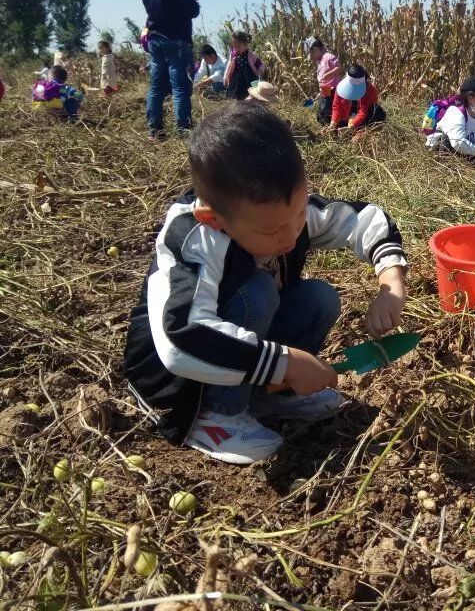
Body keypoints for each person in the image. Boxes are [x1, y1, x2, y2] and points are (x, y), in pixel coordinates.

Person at [123, 102, 408, 465]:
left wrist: (391, 283)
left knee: (319, 298)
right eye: (271, 231)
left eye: (298, 215)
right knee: (254, 293)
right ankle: (216, 415)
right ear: (213, 219)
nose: (290, 236)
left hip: (241, 351)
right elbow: (181, 337)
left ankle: (268, 397)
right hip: (176, 384)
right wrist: (284, 363)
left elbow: (366, 220)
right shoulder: (193, 238)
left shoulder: (286, 215)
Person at [140, 0, 200, 139]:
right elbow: (192, 10)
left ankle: (155, 130)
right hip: (176, 39)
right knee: (180, 87)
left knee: (156, 86)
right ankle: (183, 131)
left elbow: (153, 7)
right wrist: (195, 5)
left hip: (155, 39)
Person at [329, 65, 386, 134]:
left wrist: (351, 127)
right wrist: (333, 123)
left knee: (376, 110)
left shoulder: (370, 90)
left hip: (364, 119)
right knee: (325, 112)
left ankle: (364, 132)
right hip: (346, 117)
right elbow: (337, 107)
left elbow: (363, 112)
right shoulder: (341, 87)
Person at [303, 36, 341, 125]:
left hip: (333, 90)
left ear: (316, 50)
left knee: (327, 111)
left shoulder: (329, 57)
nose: (311, 58)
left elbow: (339, 68)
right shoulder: (319, 60)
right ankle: (324, 127)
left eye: (310, 54)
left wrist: (327, 74)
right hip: (325, 91)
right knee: (320, 112)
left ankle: (330, 128)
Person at [224, 31, 264, 100]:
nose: (236, 49)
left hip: (249, 78)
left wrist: (260, 76)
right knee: (236, 94)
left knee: (250, 93)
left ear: (246, 44)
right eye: (235, 47)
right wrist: (226, 77)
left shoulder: (250, 55)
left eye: (239, 46)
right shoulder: (234, 55)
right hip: (237, 80)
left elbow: (260, 65)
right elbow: (229, 66)